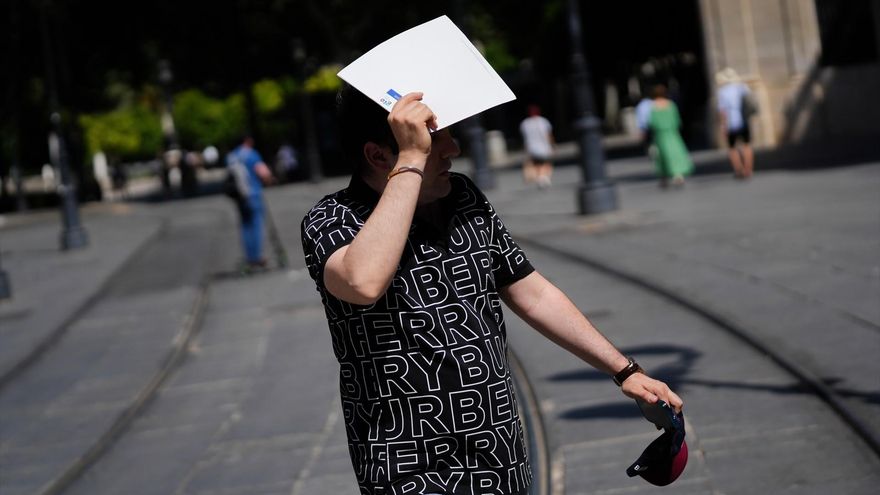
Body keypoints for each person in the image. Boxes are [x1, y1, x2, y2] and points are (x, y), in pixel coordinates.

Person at [300, 86, 684, 495]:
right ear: (379, 155)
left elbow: (530, 292)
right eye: (434, 139)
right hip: (407, 463)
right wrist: (411, 159)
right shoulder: (330, 220)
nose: (453, 148)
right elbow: (363, 282)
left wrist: (624, 371)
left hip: (499, 453)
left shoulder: (462, 197)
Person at [227, 136, 273, 269]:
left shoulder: (232, 156)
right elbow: (263, 172)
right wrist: (269, 179)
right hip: (253, 194)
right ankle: (258, 257)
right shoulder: (251, 154)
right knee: (256, 224)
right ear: (247, 141)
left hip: (240, 196)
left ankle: (250, 257)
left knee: (245, 227)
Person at [648, 84, 693, 187]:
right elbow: (677, 120)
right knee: (676, 154)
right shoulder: (671, 105)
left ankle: (663, 176)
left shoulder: (653, 106)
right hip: (672, 133)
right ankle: (678, 175)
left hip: (660, 135)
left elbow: (652, 122)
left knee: (661, 156)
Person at [716, 67, 754, 179]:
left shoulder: (722, 91)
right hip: (744, 119)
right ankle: (749, 169)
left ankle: (739, 169)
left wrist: (723, 125)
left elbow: (722, 111)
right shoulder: (742, 87)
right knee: (747, 145)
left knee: (732, 148)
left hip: (731, 122)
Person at [518, 104, 555, 187]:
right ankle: (544, 177)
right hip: (544, 146)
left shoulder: (525, 123)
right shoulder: (543, 121)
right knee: (546, 162)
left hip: (532, 147)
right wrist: (552, 145)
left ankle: (540, 177)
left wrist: (525, 150)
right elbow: (548, 135)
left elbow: (525, 138)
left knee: (537, 163)